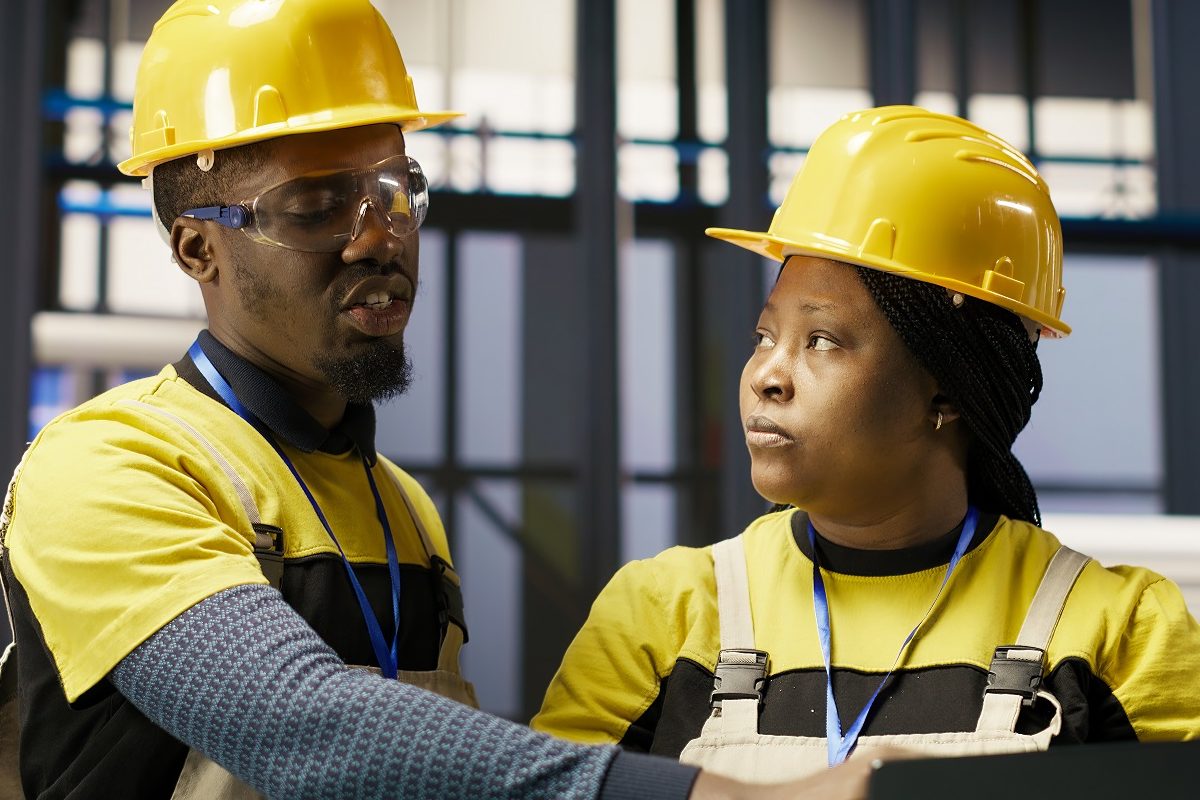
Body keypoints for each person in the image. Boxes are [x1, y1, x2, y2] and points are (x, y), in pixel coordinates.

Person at [0, 1, 884, 798]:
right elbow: (298, 726)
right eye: (314, 208)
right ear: (199, 250)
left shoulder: (401, 510)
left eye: (393, 192)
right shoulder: (110, 466)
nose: (378, 240)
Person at [533, 106, 1200, 782]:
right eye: (765, 337)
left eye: (821, 341)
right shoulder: (663, 617)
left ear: (946, 387)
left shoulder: (1117, 633)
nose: (767, 375)